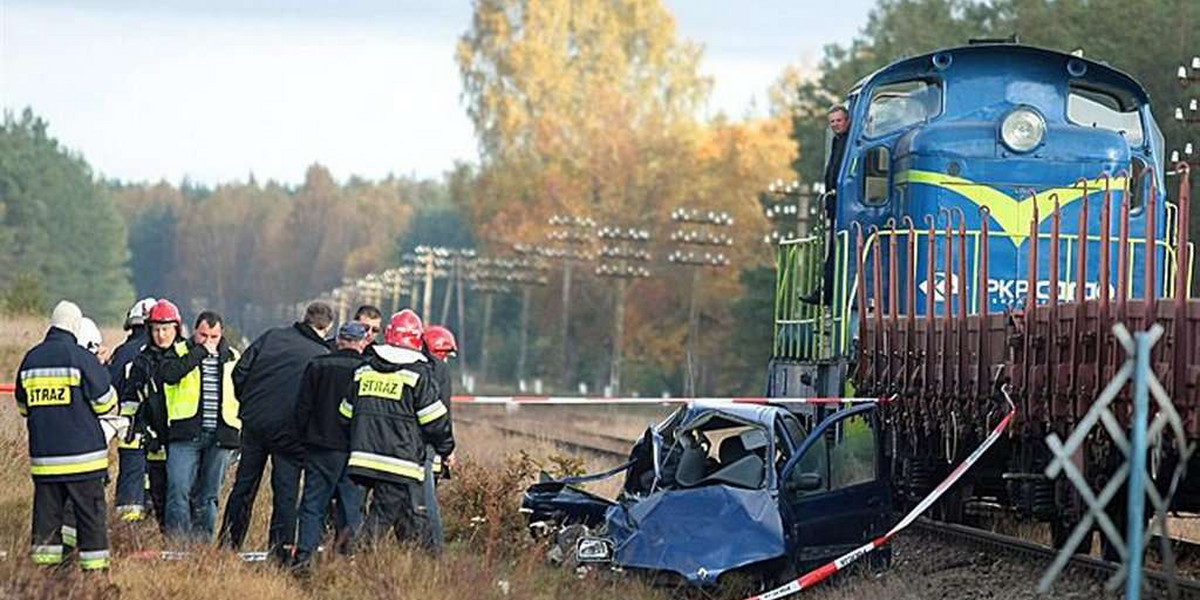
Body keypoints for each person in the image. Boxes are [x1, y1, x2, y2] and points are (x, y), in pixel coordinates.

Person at [220, 302, 335, 562]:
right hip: (291, 434)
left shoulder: (272, 336)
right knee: (285, 494)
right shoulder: (321, 354)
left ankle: (228, 545)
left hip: (254, 423)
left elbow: (240, 371)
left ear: (304, 319)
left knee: (244, 487)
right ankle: (280, 553)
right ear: (326, 328)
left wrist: (248, 402)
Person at [15, 301, 116, 571]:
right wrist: (102, 368)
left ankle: (45, 579)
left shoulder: (30, 360)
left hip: (45, 463)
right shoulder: (81, 358)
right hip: (84, 463)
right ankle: (95, 579)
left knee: (47, 526)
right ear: (74, 326)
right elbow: (106, 404)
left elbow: (24, 408)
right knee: (91, 522)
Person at [341, 309, 453, 551]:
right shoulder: (418, 374)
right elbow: (434, 420)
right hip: (399, 461)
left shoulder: (364, 370)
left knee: (395, 511)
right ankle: (355, 556)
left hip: (362, 457)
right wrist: (447, 448)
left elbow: (345, 414)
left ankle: (420, 558)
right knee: (382, 514)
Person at [292, 321, 371, 570]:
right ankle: (348, 560)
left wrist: (305, 439)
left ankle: (304, 558)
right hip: (354, 451)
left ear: (338, 340)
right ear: (362, 343)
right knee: (352, 508)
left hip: (320, 448)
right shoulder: (367, 370)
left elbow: (302, 408)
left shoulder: (317, 365)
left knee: (313, 505)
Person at [159, 310, 241, 543]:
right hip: (185, 434)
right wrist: (200, 352)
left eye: (213, 337)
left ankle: (201, 547)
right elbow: (169, 375)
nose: (208, 341)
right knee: (178, 491)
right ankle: (178, 546)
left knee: (209, 496)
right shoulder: (180, 352)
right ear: (194, 332)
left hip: (221, 435)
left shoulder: (233, 357)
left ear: (221, 334)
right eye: (203, 335)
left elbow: (242, 393)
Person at [125, 299, 184, 530]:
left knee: (183, 491)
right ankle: (167, 537)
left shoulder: (186, 356)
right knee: (159, 492)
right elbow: (131, 400)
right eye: (156, 329)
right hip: (155, 439)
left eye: (165, 329)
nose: (161, 335)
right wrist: (137, 427)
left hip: (183, 438)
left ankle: (187, 540)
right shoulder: (142, 361)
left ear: (176, 329)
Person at [110, 297, 156, 522]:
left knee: (131, 481)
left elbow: (110, 389)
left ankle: (128, 532)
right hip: (161, 432)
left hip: (129, 430)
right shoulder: (170, 350)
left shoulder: (123, 352)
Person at [804, 105, 851, 306]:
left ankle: (828, 291)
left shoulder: (850, 143)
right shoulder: (837, 142)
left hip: (847, 207)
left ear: (847, 120)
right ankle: (825, 289)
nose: (835, 125)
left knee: (837, 249)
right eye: (832, 122)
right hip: (836, 206)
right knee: (832, 249)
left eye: (838, 120)